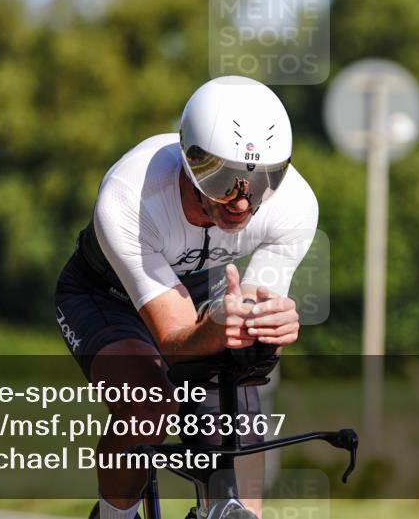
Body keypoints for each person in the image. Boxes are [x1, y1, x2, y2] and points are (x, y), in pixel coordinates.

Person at [54, 75, 318, 519]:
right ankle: (113, 516)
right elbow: (174, 339)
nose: (241, 202)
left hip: (200, 291)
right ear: (190, 160)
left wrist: (268, 323)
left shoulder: (294, 206)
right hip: (106, 293)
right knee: (148, 400)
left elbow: (251, 312)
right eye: (224, 180)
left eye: (262, 180)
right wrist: (214, 327)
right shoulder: (130, 198)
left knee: (241, 385)